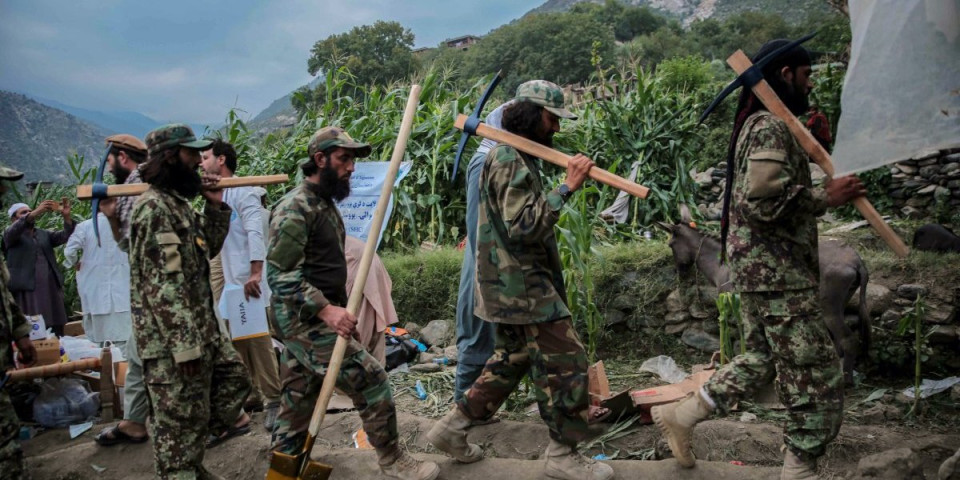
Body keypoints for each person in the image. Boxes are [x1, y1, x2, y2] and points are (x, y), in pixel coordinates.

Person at [650, 40, 866, 480]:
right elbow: (761, 203)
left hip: (758, 271)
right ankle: (800, 467)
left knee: (761, 359)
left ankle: (682, 415)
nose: (810, 85)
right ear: (785, 74)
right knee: (817, 371)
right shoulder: (769, 126)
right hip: (778, 275)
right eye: (806, 76)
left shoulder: (760, 124)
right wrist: (826, 197)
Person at [427, 80, 614, 480]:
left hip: (510, 285)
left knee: (510, 360)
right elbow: (524, 226)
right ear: (530, 114)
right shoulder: (507, 157)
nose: (557, 128)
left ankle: (451, 428)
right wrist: (567, 187)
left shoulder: (512, 155)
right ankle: (562, 455)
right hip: (524, 287)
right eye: (551, 118)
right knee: (569, 361)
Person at [267, 126, 438, 480]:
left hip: (314, 318)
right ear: (320, 159)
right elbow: (280, 277)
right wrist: (326, 310)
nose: (351, 168)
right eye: (344, 159)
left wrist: (338, 309)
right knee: (371, 378)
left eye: (353, 160)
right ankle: (392, 459)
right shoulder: (295, 209)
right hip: (305, 321)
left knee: (298, 398)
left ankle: (282, 470)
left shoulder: (323, 204)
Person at [127, 123, 251, 478]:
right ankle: (181, 459)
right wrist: (184, 349)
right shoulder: (154, 210)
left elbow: (205, 249)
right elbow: (163, 288)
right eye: (191, 153)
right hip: (173, 348)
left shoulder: (178, 206)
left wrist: (214, 206)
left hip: (202, 333)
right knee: (179, 434)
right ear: (170, 157)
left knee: (234, 378)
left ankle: (191, 444)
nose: (199, 161)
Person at [201, 139, 281, 432]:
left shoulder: (244, 191)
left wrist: (256, 272)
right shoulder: (216, 196)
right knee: (235, 340)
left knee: (257, 339)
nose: (201, 163)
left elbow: (254, 232)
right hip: (230, 282)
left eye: (205, 157)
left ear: (221, 160)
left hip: (248, 279)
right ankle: (251, 394)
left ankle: (274, 399)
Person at [453, 99, 513, 404]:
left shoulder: (503, 159)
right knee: (477, 342)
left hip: (492, 268)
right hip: (484, 269)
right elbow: (480, 231)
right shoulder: (485, 161)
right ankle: (461, 413)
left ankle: (473, 411)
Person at [94, 133, 152, 447]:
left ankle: (232, 417)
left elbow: (132, 245)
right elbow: (128, 242)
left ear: (122, 157)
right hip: (150, 292)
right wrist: (112, 216)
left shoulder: (137, 188)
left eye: (110, 160)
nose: (108, 168)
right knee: (137, 355)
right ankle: (134, 421)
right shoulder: (130, 189)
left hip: (160, 293)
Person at [0, 164, 36, 480]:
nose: (2, 193)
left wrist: (21, 333)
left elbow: (3, 291)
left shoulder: (35, 237)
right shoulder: (11, 234)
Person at [3, 197, 75, 337]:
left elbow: (65, 236)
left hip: (50, 286)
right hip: (28, 288)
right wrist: (36, 212)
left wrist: (67, 217)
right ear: (13, 219)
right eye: (23, 212)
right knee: (34, 323)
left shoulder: (42, 234)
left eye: (29, 211)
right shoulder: (10, 235)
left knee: (55, 321)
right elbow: (15, 229)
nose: (28, 214)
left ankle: (56, 344)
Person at [63, 203, 132, 348]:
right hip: (123, 287)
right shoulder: (126, 226)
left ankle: (102, 358)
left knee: (97, 338)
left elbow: (69, 251)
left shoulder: (85, 226)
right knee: (124, 336)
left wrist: (75, 262)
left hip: (94, 287)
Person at [344, 234, 399, 366]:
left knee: (357, 330)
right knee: (371, 324)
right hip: (364, 261)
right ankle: (376, 371)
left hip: (359, 266)